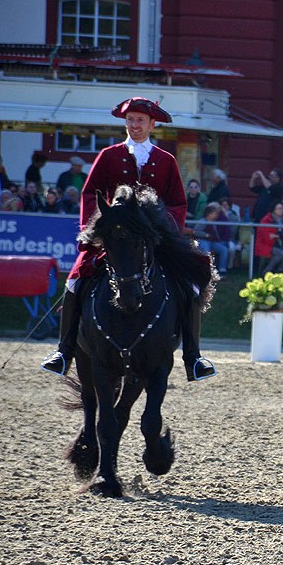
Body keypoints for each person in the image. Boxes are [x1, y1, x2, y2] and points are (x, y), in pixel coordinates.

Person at [40, 96, 215, 382]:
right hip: (115, 239)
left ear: (152, 124)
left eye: (140, 120)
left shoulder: (166, 160)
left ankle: (193, 358)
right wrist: (96, 227)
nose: (135, 125)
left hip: (155, 240)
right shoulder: (108, 155)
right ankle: (64, 352)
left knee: (191, 284)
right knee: (75, 280)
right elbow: (90, 193)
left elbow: (177, 203)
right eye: (130, 120)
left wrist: (162, 226)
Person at [254, 200, 283, 273]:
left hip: (278, 244)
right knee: (280, 253)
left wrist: (279, 235)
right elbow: (267, 236)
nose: (281, 211)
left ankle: (279, 271)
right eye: (279, 209)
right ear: (273, 210)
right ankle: (266, 271)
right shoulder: (266, 220)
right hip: (265, 244)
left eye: (282, 209)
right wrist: (278, 236)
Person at [194, 202, 230, 275]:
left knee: (224, 249)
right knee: (206, 250)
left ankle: (222, 270)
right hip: (203, 241)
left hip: (212, 242)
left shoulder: (213, 222)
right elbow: (195, 232)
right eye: (214, 214)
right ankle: (206, 270)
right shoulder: (203, 222)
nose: (216, 215)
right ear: (209, 214)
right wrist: (206, 235)